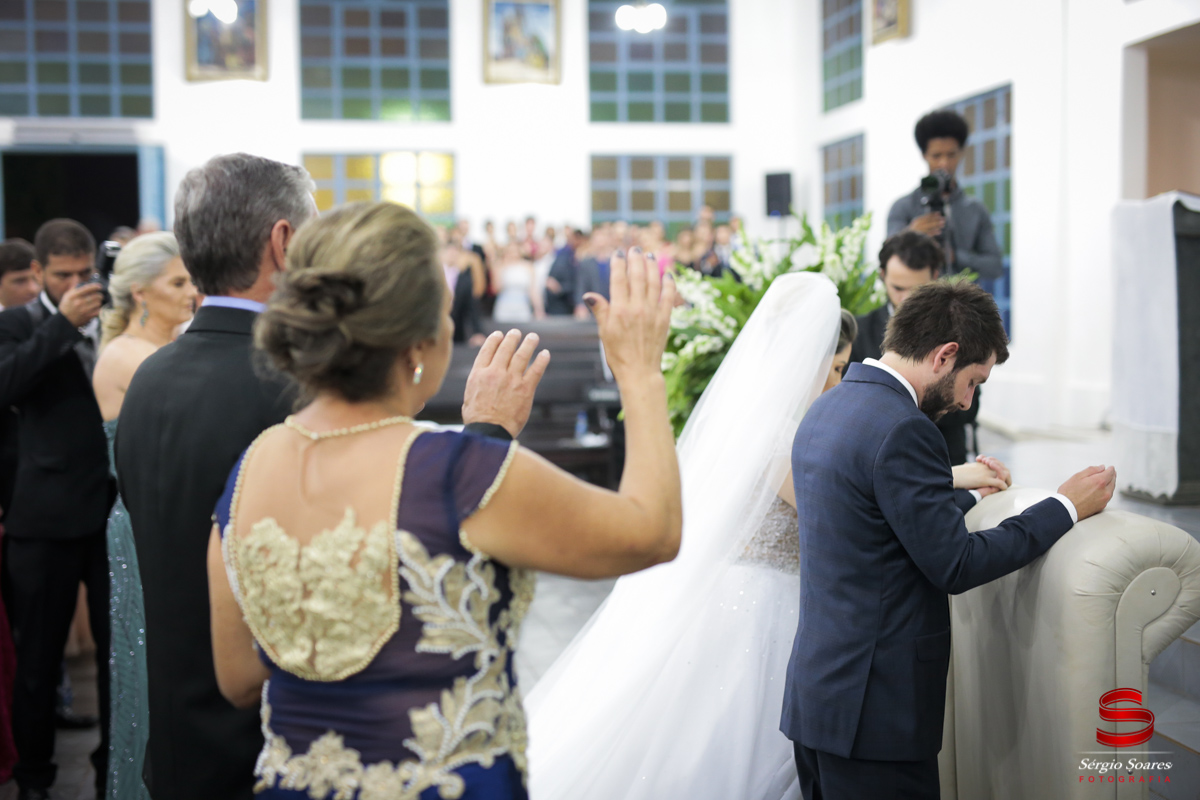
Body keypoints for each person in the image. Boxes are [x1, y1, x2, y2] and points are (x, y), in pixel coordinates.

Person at [206, 204, 682, 799]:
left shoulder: (251, 468)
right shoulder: (456, 472)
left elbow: (238, 677)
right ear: (419, 343)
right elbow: (652, 531)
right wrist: (639, 373)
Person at [117, 154, 547, 800]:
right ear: (286, 244)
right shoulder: (301, 390)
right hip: (283, 747)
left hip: (179, 747)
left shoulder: (148, 376)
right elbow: (399, 549)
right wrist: (485, 436)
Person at [526, 282, 1008, 799]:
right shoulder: (775, 429)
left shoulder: (811, 420)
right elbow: (831, 498)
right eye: (838, 367)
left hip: (799, 602)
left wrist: (951, 479)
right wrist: (954, 478)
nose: (841, 379)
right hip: (758, 600)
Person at [783, 281, 1117, 799]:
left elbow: (874, 521)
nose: (967, 401)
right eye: (974, 381)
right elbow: (955, 565)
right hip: (877, 714)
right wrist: (1065, 506)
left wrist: (959, 500)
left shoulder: (830, 407)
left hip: (821, 698)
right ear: (945, 355)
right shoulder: (903, 427)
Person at [0, 218, 112, 800]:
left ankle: (111, 774)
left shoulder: (114, 318)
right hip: (42, 519)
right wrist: (61, 328)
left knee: (121, 655)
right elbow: (6, 385)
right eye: (63, 274)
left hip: (112, 513)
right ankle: (35, 781)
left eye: (84, 272)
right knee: (38, 662)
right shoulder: (14, 324)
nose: (76, 283)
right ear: (40, 272)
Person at [91, 232, 196, 800]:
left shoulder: (163, 353)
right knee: (147, 670)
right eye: (178, 282)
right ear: (140, 293)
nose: (191, 292)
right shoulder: (127, 357)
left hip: (171, 521)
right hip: (142, 527)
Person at [850, 230, 980, 465]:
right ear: (882, 276)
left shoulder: (960, 328)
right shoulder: (860, 332)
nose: (906, 300)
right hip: (878, 461)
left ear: (935, 276)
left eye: (918, 289)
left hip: (945, 458)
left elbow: (969, 407)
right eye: (898, 288)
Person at [886, 110, 1003, 279]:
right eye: (936, 156)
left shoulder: (976, 210)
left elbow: (994, 267)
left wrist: (955, 256)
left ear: (961, 153)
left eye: (951, 155)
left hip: (962, 303)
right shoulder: (903, 207)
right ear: (924, 155)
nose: (944, 163)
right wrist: (910, 236)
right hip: (916, 302)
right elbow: (886, 261)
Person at [492, 243, 542, 323]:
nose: (513, 254)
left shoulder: (528, 266)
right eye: (510, 251)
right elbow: (496, 288)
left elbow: (533, 291)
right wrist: (501, 266)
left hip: (523, 307)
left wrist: (539, 310)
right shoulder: (500, 266)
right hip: (504, 307)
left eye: (515, 251)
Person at [544, 228, 584, 316]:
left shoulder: (579, 257)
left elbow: (578, 283)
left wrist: (561, 288)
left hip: (569, 306)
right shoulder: (563, 255)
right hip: (556, 306)